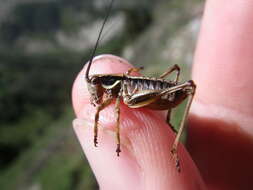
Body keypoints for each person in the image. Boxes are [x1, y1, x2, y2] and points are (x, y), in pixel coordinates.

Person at [72, 1, 253, 189]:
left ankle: (173, 146)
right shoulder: (112, 88)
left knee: (183, 88)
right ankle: (167, 121)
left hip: (163, 95)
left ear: (104, 82)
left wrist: (118, 142)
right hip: (149, 93)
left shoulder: (118, 94)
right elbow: (99, 112)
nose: (95, 88)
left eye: (95, 84)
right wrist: (95, 134)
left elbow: (116, 111)